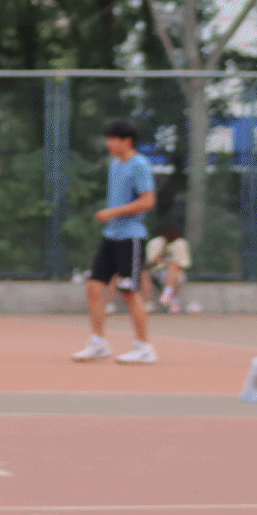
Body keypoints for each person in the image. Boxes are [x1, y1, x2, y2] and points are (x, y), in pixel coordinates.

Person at [72, 118, 159, 364]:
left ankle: (144, 347)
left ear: (126, 141)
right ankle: (98, 343)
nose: (108, 143)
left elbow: (148, 201)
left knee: (129, 291)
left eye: (113, 139)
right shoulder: (114, 165)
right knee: (93, 287)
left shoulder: (140, 164)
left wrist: (113, 212)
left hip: (131, 236)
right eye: (108, 138)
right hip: (111, 235)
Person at [145, 222, 192, 315]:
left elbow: (185, 264)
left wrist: (171, 264)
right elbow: (150, 264)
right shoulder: (154, 243)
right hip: (157, 272)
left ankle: (167, 294)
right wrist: (163, 249)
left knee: (173, 267)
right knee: (145, 273)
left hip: (176, 273)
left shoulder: (181, 243)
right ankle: (171, 301)